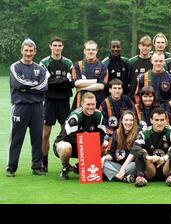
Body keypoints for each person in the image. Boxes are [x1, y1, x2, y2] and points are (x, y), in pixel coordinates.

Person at [7, 38, 49, 177]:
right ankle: (11, 167)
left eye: (31, 51)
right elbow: (18, 84)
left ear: (35, 51)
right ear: (22, 50)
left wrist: (27, 89)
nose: (28, 53)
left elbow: (44, 86)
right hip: (20, 107)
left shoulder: (41, 69)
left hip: (37, 107)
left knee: (37, 137)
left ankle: (37, 166)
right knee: (17, 138)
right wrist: (33, 87)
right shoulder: (15, 67)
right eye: (26, 50)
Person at [54, 92, 109, 180]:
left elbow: (102, 134)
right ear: (82, 104)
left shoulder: (99, 115)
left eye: (93, 104)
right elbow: (66, 137)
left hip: (87, 146)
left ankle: (79, 167)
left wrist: (90, 145)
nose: (91, 107)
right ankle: (66, 167)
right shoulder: (75, 116)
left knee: (106, 144)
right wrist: (83, 143)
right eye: (88, 104)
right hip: (70, 145)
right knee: (65, 147)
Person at [39, 36, 73, 172]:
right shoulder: (44, 62)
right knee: (46, 133)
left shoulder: (68, 63)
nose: (57, 48)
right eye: (55, 45)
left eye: (59, 45)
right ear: (50, 47)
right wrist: (62, 81)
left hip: (64, 101)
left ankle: (65, 164)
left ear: (62, 47)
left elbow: (70, 82)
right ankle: (44, 162)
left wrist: (55, 81)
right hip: (49, 101)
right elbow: (45, 83)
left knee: (66, 133)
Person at [131, 107, 171, 187]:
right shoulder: (144, 133)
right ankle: (140, 177)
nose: (159, 123)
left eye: (162, 120)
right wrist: (148, 157)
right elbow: (135, 148)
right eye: (156, 120)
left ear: (166, 120)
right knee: (141, 151)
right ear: (151, 120)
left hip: (166, 169)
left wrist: (165, 157)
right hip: (150, 170)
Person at [101, 110, 138, 182]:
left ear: (134, 122)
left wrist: (123, 169)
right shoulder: (116, 133)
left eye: (131, 120)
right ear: (121, 121)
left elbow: (133, 153)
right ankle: (124, 178)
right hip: (118, 165)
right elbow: (112, 154)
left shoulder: (138, 132)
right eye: (126, 120)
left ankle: (116, 176)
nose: (128, 123)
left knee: (136, 165)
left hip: (129, 165)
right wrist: (103, 158)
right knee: (104, 164)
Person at [71, 40, 108, 109]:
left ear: (96, 51)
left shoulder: (103, 66)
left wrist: (83, 88)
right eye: (88, 49)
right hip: (81, 100)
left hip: (98, 100)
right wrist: (96, 81)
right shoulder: (78, 65)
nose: (91, 51)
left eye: (93, 49)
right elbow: (77, 83)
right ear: (84, 51)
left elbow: (101, 86)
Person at [128, 35, 153, 102]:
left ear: (150, 47)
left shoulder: (154, 62)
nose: (145, 48)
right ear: (139, 46)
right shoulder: (131, 62)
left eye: (147, 46)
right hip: (133, 98)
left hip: (149, 98)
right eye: (143, 45)